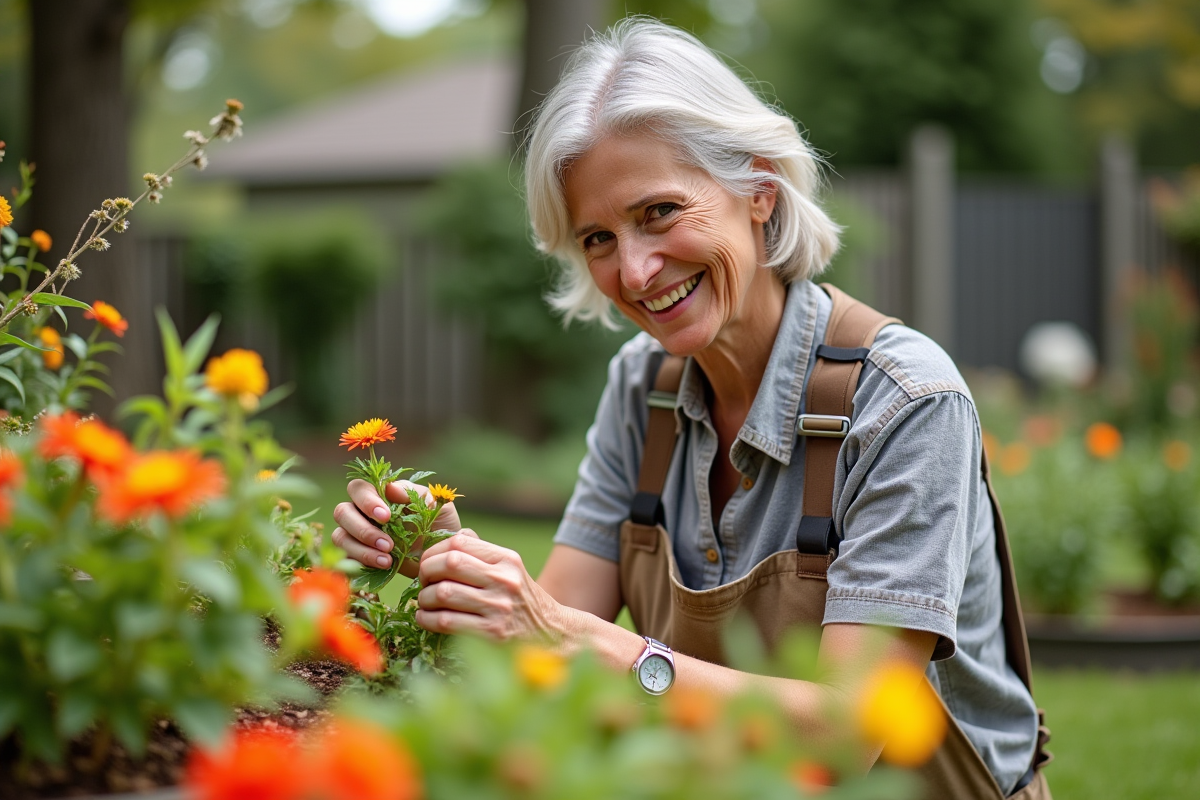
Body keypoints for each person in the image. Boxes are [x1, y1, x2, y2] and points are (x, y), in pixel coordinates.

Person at [332, 18, 1049, 799]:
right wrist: (455, 569)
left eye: (659, 213)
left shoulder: (906, 403)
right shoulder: (644, 387)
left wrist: (576, 640)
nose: (635, 272)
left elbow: (851, 738)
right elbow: (552, 622)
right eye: (598, 238)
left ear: (759, 192)